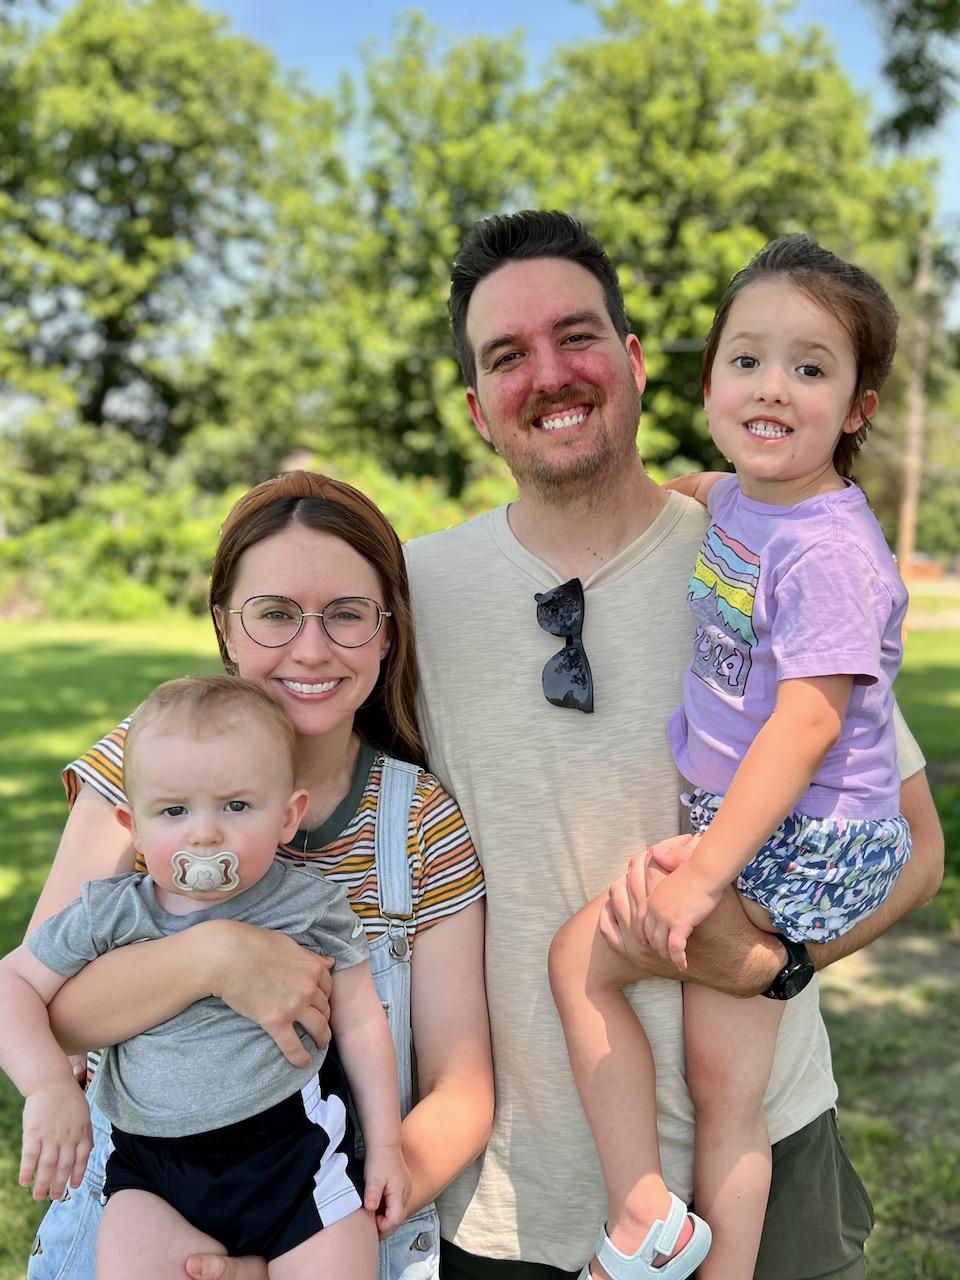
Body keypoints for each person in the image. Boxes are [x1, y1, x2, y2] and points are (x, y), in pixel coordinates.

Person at [403, 209, 944, 1280]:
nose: (549, 374)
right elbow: (260, 744)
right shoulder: (411, 593)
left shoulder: (769, 545)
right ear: (475, 408)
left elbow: (915, 848)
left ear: (637, 360)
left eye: (577, 336)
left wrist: (781, 961)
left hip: (767, 1159)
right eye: (507, 356)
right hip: (514, 1198)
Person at [548, 235, 912, 1280]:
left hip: (802, 836)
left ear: (857, 408)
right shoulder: (756, 499)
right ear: (707, 382)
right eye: (746, 360)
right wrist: (684, 492)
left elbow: (808, 723)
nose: (772, 386)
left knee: (579, 957)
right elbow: (717, 489)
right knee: (725, 1091)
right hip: (776, 827)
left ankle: (644, 1219)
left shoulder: (829, 549)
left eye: (810, 368)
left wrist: (705, 874)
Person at [24, 471, 493, 1280]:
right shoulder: (147, 765)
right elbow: (49, 1009)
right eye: (275, 614)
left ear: (387, 633)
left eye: (346, 614)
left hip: (324, 1221)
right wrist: (215, 956)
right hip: (139, 1217)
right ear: (226, 628)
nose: (311, 649)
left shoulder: (417, 823)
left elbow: (462, 1087)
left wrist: (330, 1228)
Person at [4, 675, 408, 1277]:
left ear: (288, 816)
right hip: (153, 1177)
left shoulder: (310, 907)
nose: (204, 833)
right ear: (133, 826)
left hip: (295, 1165)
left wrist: (387, 1145)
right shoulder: (111, 913)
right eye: (174, 811)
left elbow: (361, 1022)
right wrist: (47, 1087)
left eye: (236, 806)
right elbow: (12, 983)